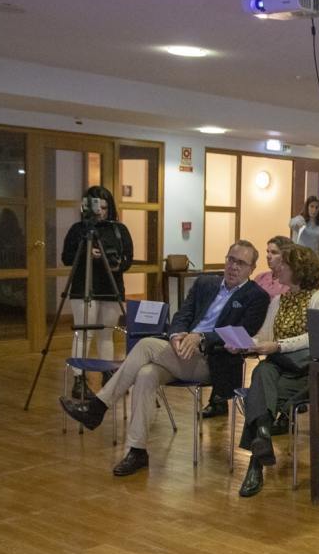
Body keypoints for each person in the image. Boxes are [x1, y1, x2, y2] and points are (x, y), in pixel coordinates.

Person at [59, 241, 270, 476]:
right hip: (179, 354)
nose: (233, 267)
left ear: (252, 268)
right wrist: (177, 336)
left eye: (241, 263)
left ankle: (97, 407)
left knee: (147, 345)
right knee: (145, 374)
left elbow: (243, 330)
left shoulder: (257, 296)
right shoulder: (205, 283)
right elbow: (182, 314)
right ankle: (137, 450)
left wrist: (200, 338)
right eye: (230, 259)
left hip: (214, 361)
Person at [234, 245, 319, 496]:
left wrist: (279, 345)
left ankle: (256, 463)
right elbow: (264, 336)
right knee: (262, 372)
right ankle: (264, 436)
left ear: (299, 270)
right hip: (279, 368)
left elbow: (316, 338)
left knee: (261, 381)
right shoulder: (278, 300)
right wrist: (243, 344)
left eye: (284, 265)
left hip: (309, 371)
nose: (277, 267)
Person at [60, 185, 134, 399]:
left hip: (111, 287)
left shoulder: (119, 229)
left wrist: (116, 264)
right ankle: (78, 378)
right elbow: (66, 257)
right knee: (83, 334)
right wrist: (86, 253)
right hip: (84, 287)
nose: (100, 211)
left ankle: (108, 374)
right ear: (86, 207)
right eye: (96, 207)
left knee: (107, 334)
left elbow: (128, 258)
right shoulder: (78, 230)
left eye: (104, 207)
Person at [253, 235, 293, 299]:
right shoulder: (260, 277)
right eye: (268, 252)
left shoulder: (291, 281)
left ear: (286, 256)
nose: (268, 256)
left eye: (274, 252)